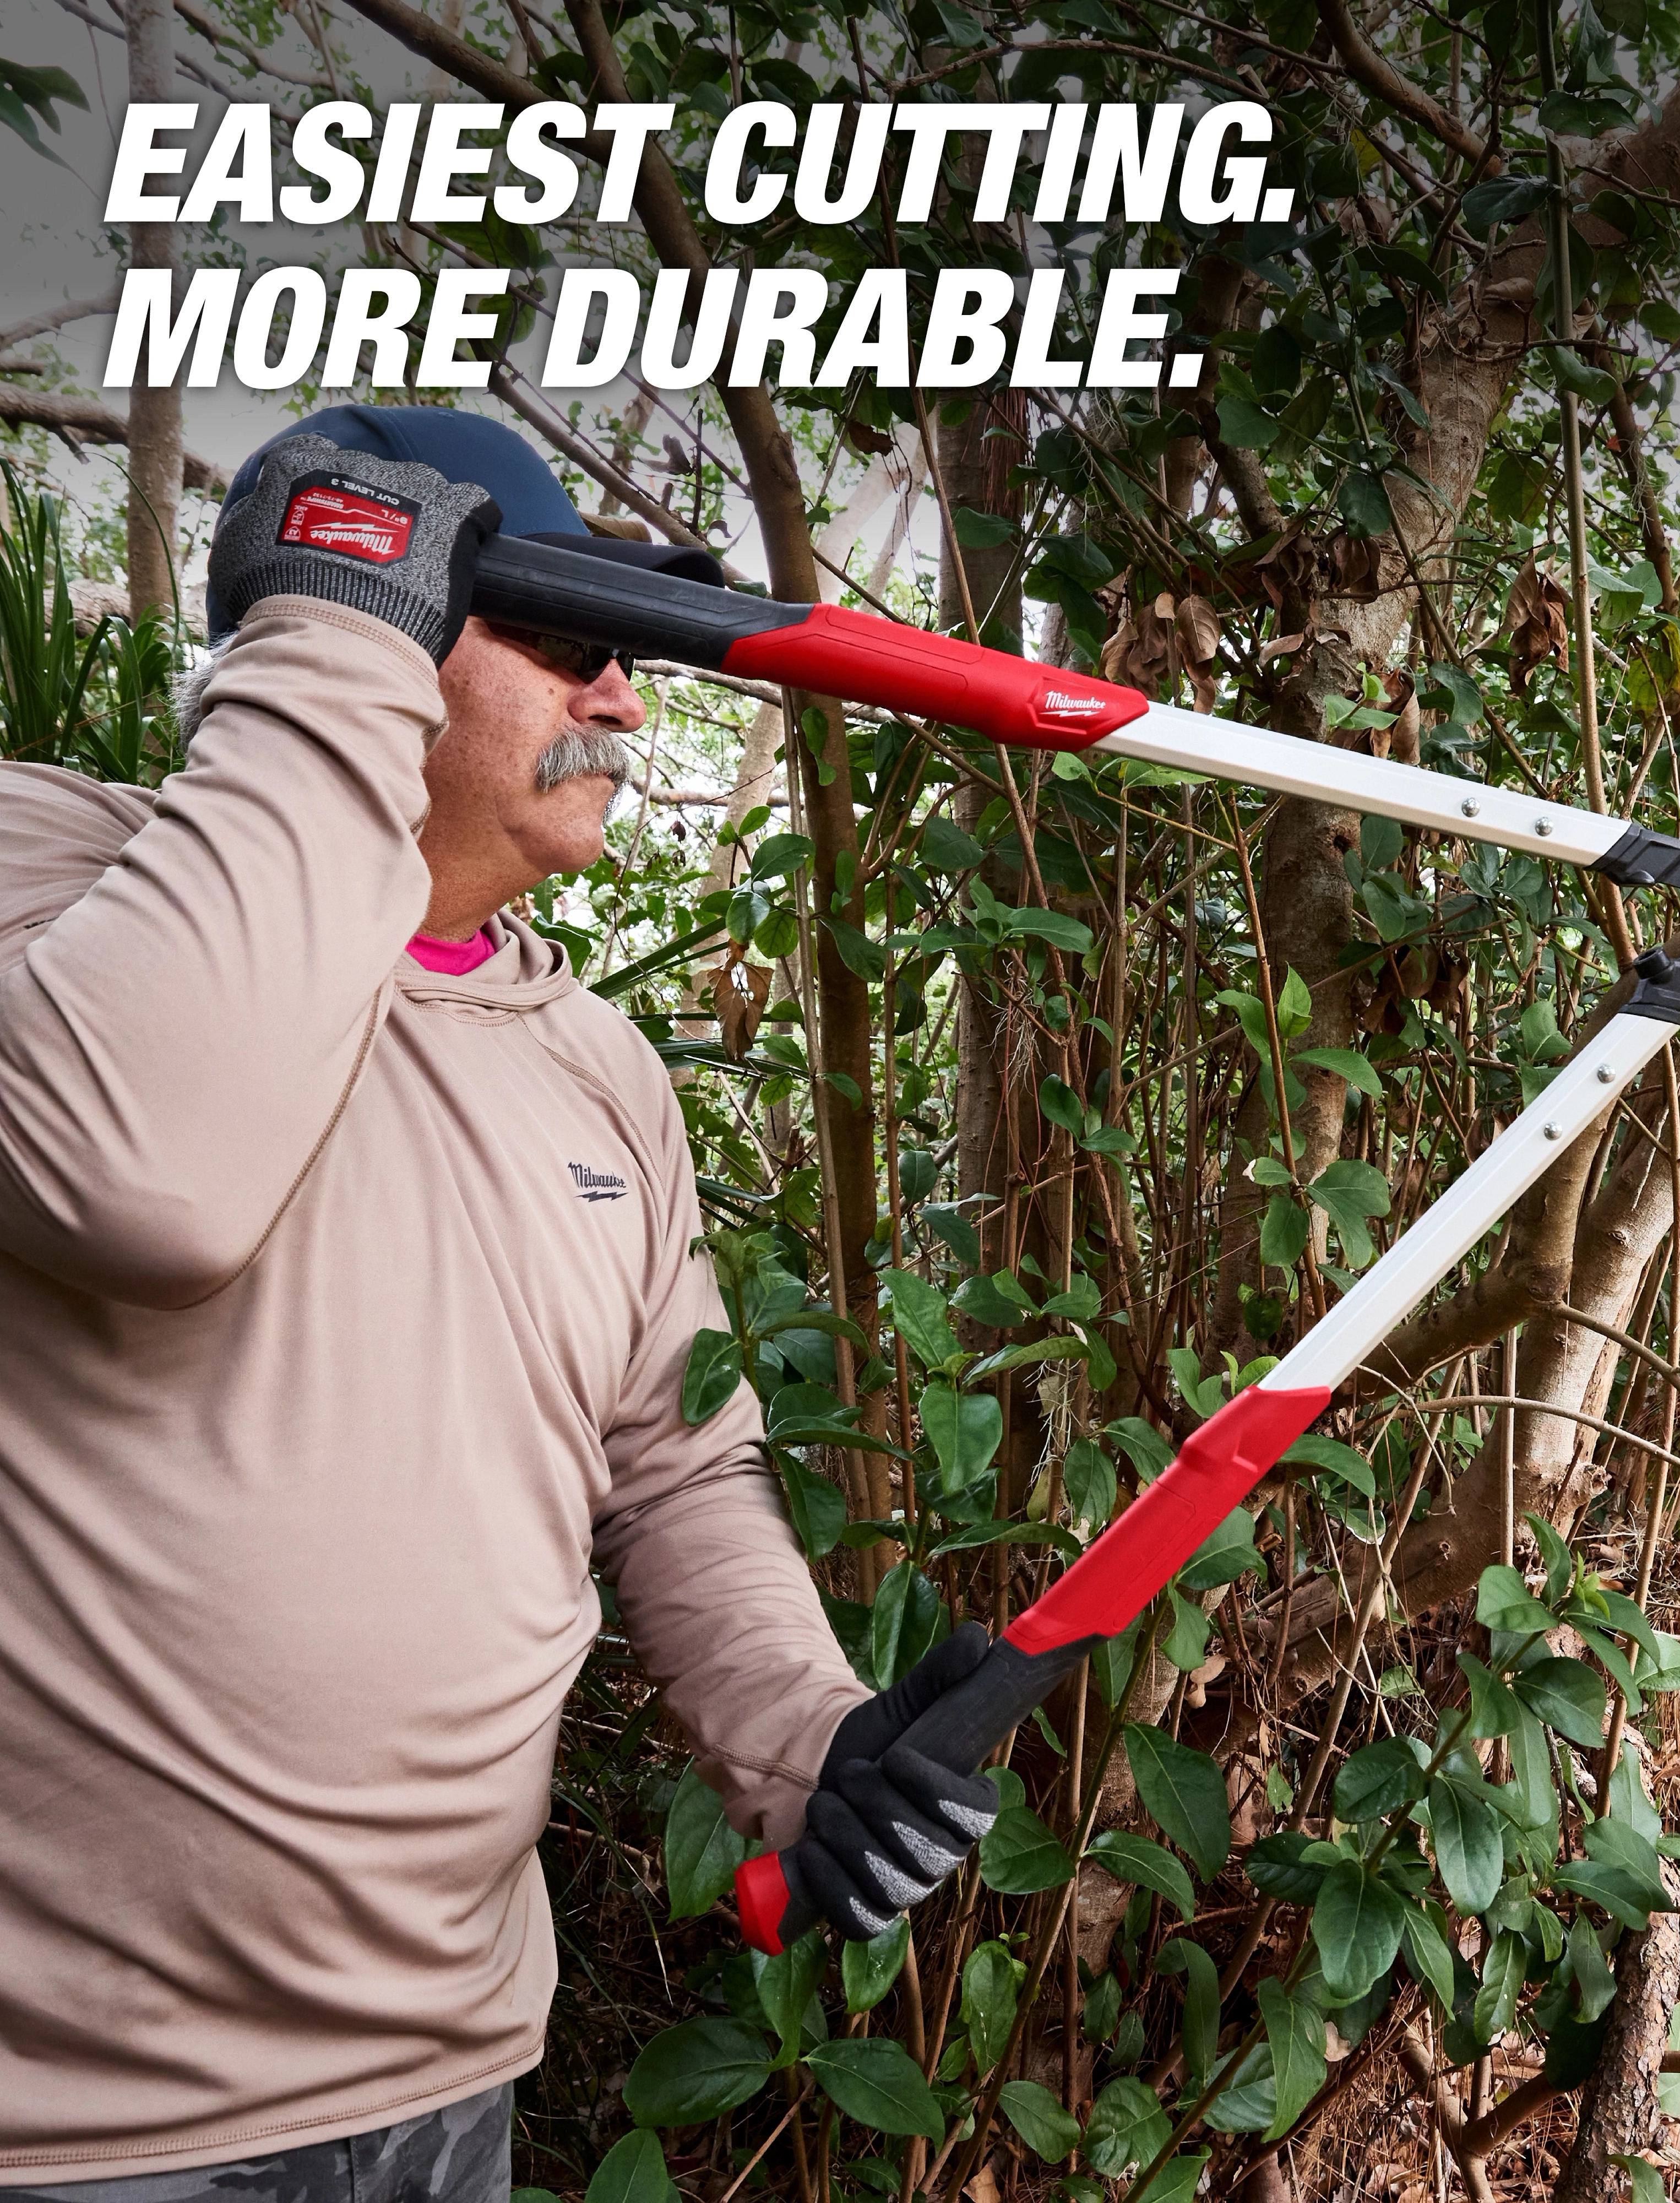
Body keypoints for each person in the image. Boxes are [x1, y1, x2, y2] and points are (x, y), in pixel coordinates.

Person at [0, 407, 995, 2196]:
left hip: (448, 2075)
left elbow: (675, 1470)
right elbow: (144, 1177)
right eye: (563, 634)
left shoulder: (596, 1063)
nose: (622, 699)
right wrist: (330, 640)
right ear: (351, 634)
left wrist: (812, 1740)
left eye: (630, 655)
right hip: (76, 2126)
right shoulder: (48, 871)